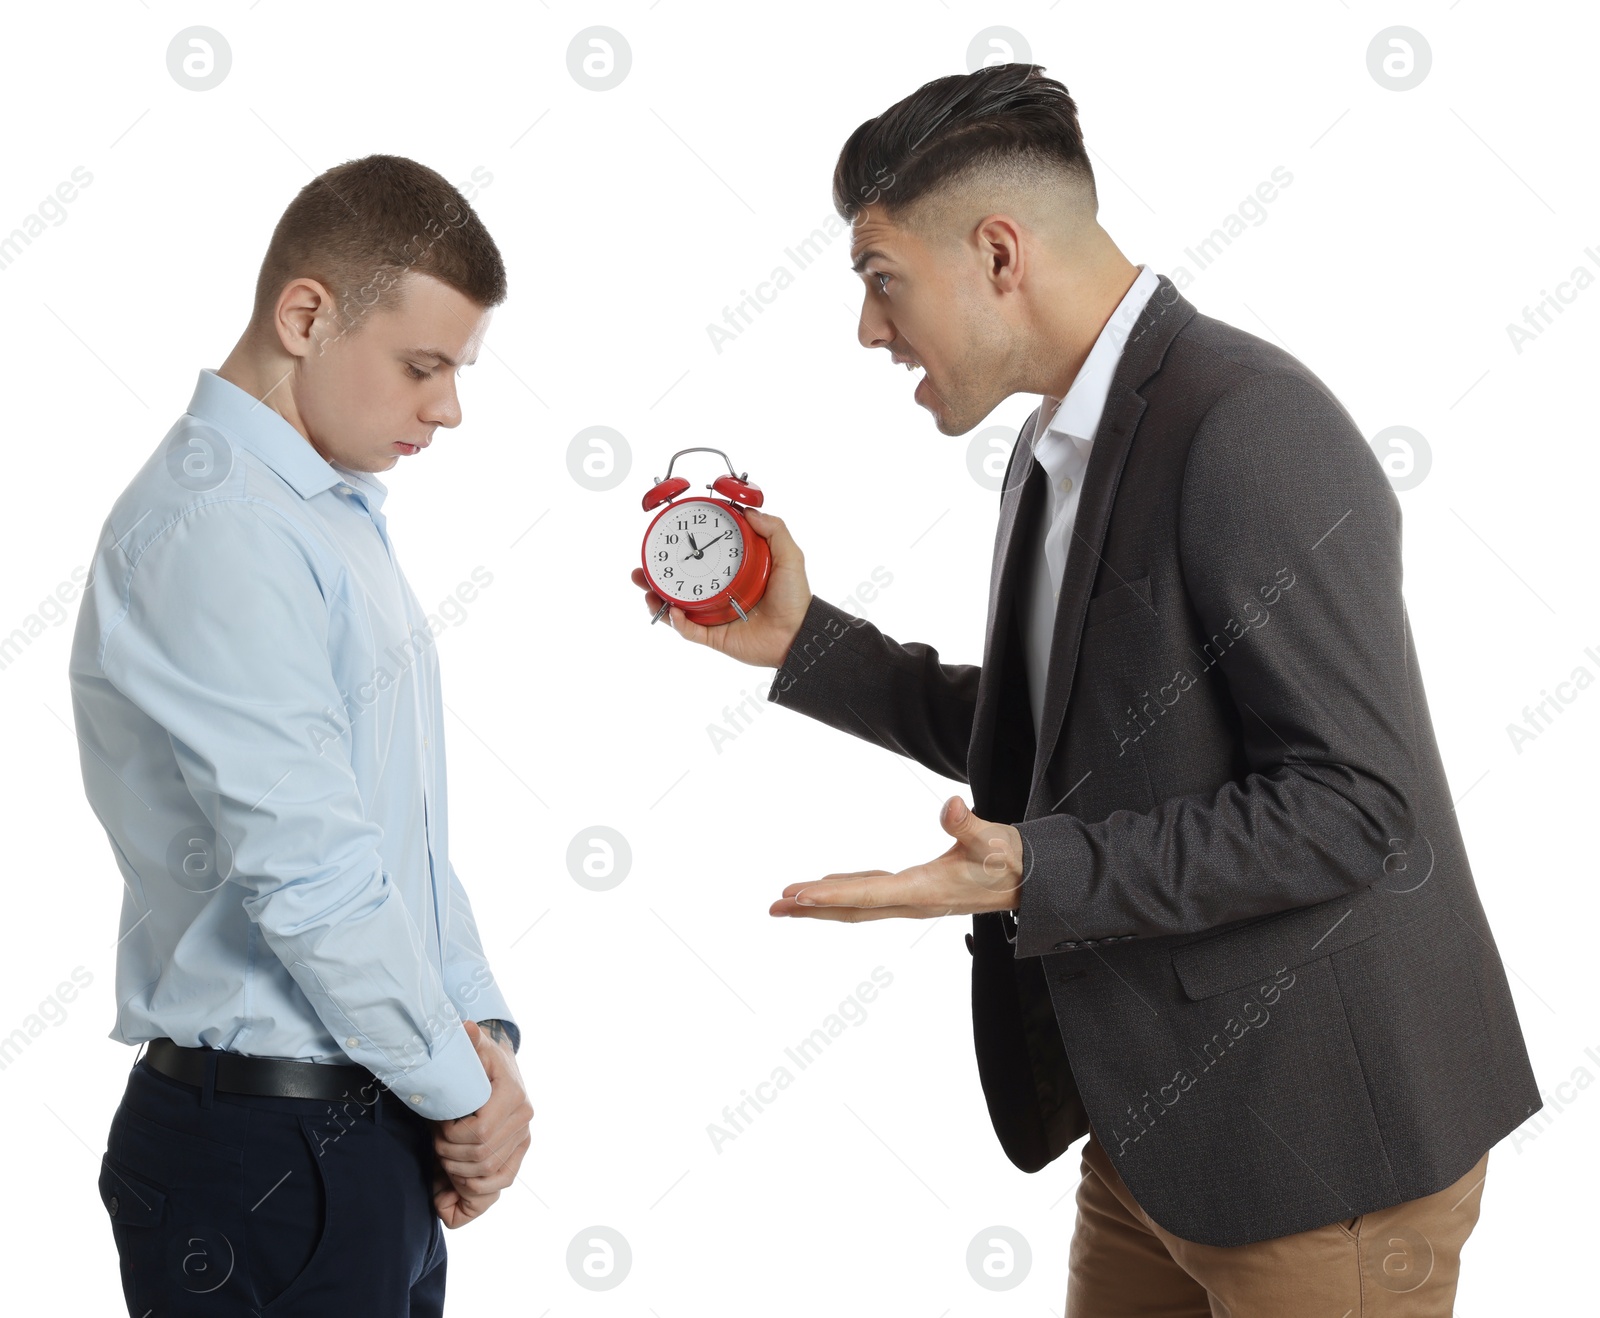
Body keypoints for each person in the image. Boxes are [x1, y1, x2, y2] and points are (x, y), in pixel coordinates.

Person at [633, 65, 1540, 1315]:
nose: (868, 330)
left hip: (1328, 1149)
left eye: (880, 280)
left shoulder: (1250, 424)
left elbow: (1356, 808)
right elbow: (1069, 741)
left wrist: (1033, 873)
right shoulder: (1053, 446)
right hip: (1156, 1128)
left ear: (997, 252)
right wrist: (808, 645)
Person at [70, 154, 532, 1316]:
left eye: (458, 370)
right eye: (423, 366)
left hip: (359, 1126)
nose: (449, 407)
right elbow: (314, 876)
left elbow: (399, 842)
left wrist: (482, 1046)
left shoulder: (322, 517)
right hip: (264, 1154)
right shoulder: (219, 526)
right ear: (307, 315)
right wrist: (459, 1093)